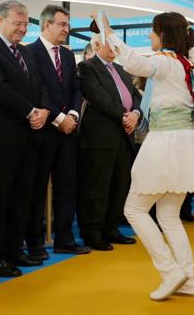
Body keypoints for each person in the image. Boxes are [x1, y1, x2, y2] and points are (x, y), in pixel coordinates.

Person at [95, 11, 194, 300]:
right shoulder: (185, 63)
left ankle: (170, 272)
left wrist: (108, 31)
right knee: (169, 214)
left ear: (164, 34)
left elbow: (133, 62)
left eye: (153, 31)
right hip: (185, 142)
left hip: (166, 142)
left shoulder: (165, 62)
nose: (149, 36)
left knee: (134, 208)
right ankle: (189, 278)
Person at [0, 0, 51, 277]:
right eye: (17, 23)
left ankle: (15, 251)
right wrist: (30, 111)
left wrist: (43, 110)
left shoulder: (27, 53)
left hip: (30, 138)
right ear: (0, 21)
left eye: (26, 23)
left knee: (21, 199)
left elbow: (39, 86)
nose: (22, 28)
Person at [25, 5, 91, 260]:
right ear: (46, 25)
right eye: (62, 24)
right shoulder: (29, 52)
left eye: (67, 24)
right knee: (37, 190)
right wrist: (59, 118)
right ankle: (35, 244)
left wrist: (73, 115)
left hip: (68, 133)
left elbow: (76, 89)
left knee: (67, 188)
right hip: (43, 132)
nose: (67, 29)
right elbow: (37, 91)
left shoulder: (66, 55)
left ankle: (65, 239)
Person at [77, 31, 141, 251]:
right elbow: (98, 96)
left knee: (119, 185)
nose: (114, 50)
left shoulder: (123, 70)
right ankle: (93, 233)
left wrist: (136, 114)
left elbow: (137, 97)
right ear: (97, 46)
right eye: (110, 45)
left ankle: (112, 229)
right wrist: (124, 116)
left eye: (116, 46)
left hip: (124, 135)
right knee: (97, 186)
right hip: (100, 136)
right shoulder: (87, 67)